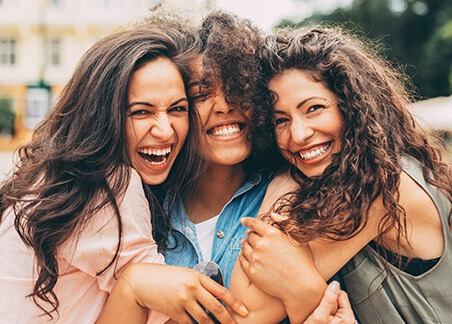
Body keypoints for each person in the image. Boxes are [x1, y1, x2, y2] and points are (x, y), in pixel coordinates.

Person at [0, 25, 246, 323]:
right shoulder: (106, 184)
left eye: (178, 109)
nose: (165, 130)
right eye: (141, 112)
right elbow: (174, 309)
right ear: (101, 116)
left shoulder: (57, 176)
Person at [236, 25, 452, 323]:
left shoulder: (379, 187)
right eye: (280, 120)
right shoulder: (379, 167)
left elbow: (247, 312)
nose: (298, 134)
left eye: (313, 108)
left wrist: (282, 179)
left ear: (351, 106)